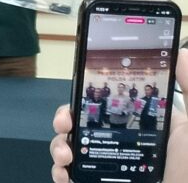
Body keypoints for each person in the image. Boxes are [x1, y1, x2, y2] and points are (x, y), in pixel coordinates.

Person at [51, 49, 188, 183]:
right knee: (108, 144)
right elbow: (107, 108)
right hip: (112, 121)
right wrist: (109, 111)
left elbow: (132, 109)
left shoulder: (132, 99)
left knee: (128, 143)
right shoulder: (112, 97)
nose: (121, 89)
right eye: (119, 87)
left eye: (122, 87)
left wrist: (124, 112)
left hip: (127, 123)